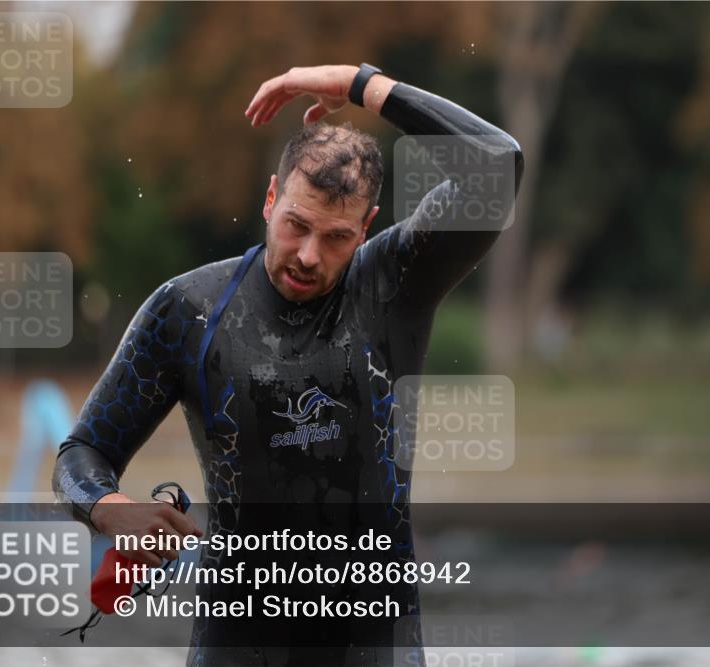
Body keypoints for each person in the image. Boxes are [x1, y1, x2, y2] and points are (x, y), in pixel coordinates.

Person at [53, 63, 524, 666]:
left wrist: (363, 85)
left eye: (335, 238)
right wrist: (112, 511)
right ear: (271, 199)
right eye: (296, 226)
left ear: (366, 229)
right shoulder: (189, 310)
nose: (308, 255)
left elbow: (497, 164)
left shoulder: (393, 285)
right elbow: (82, 452)